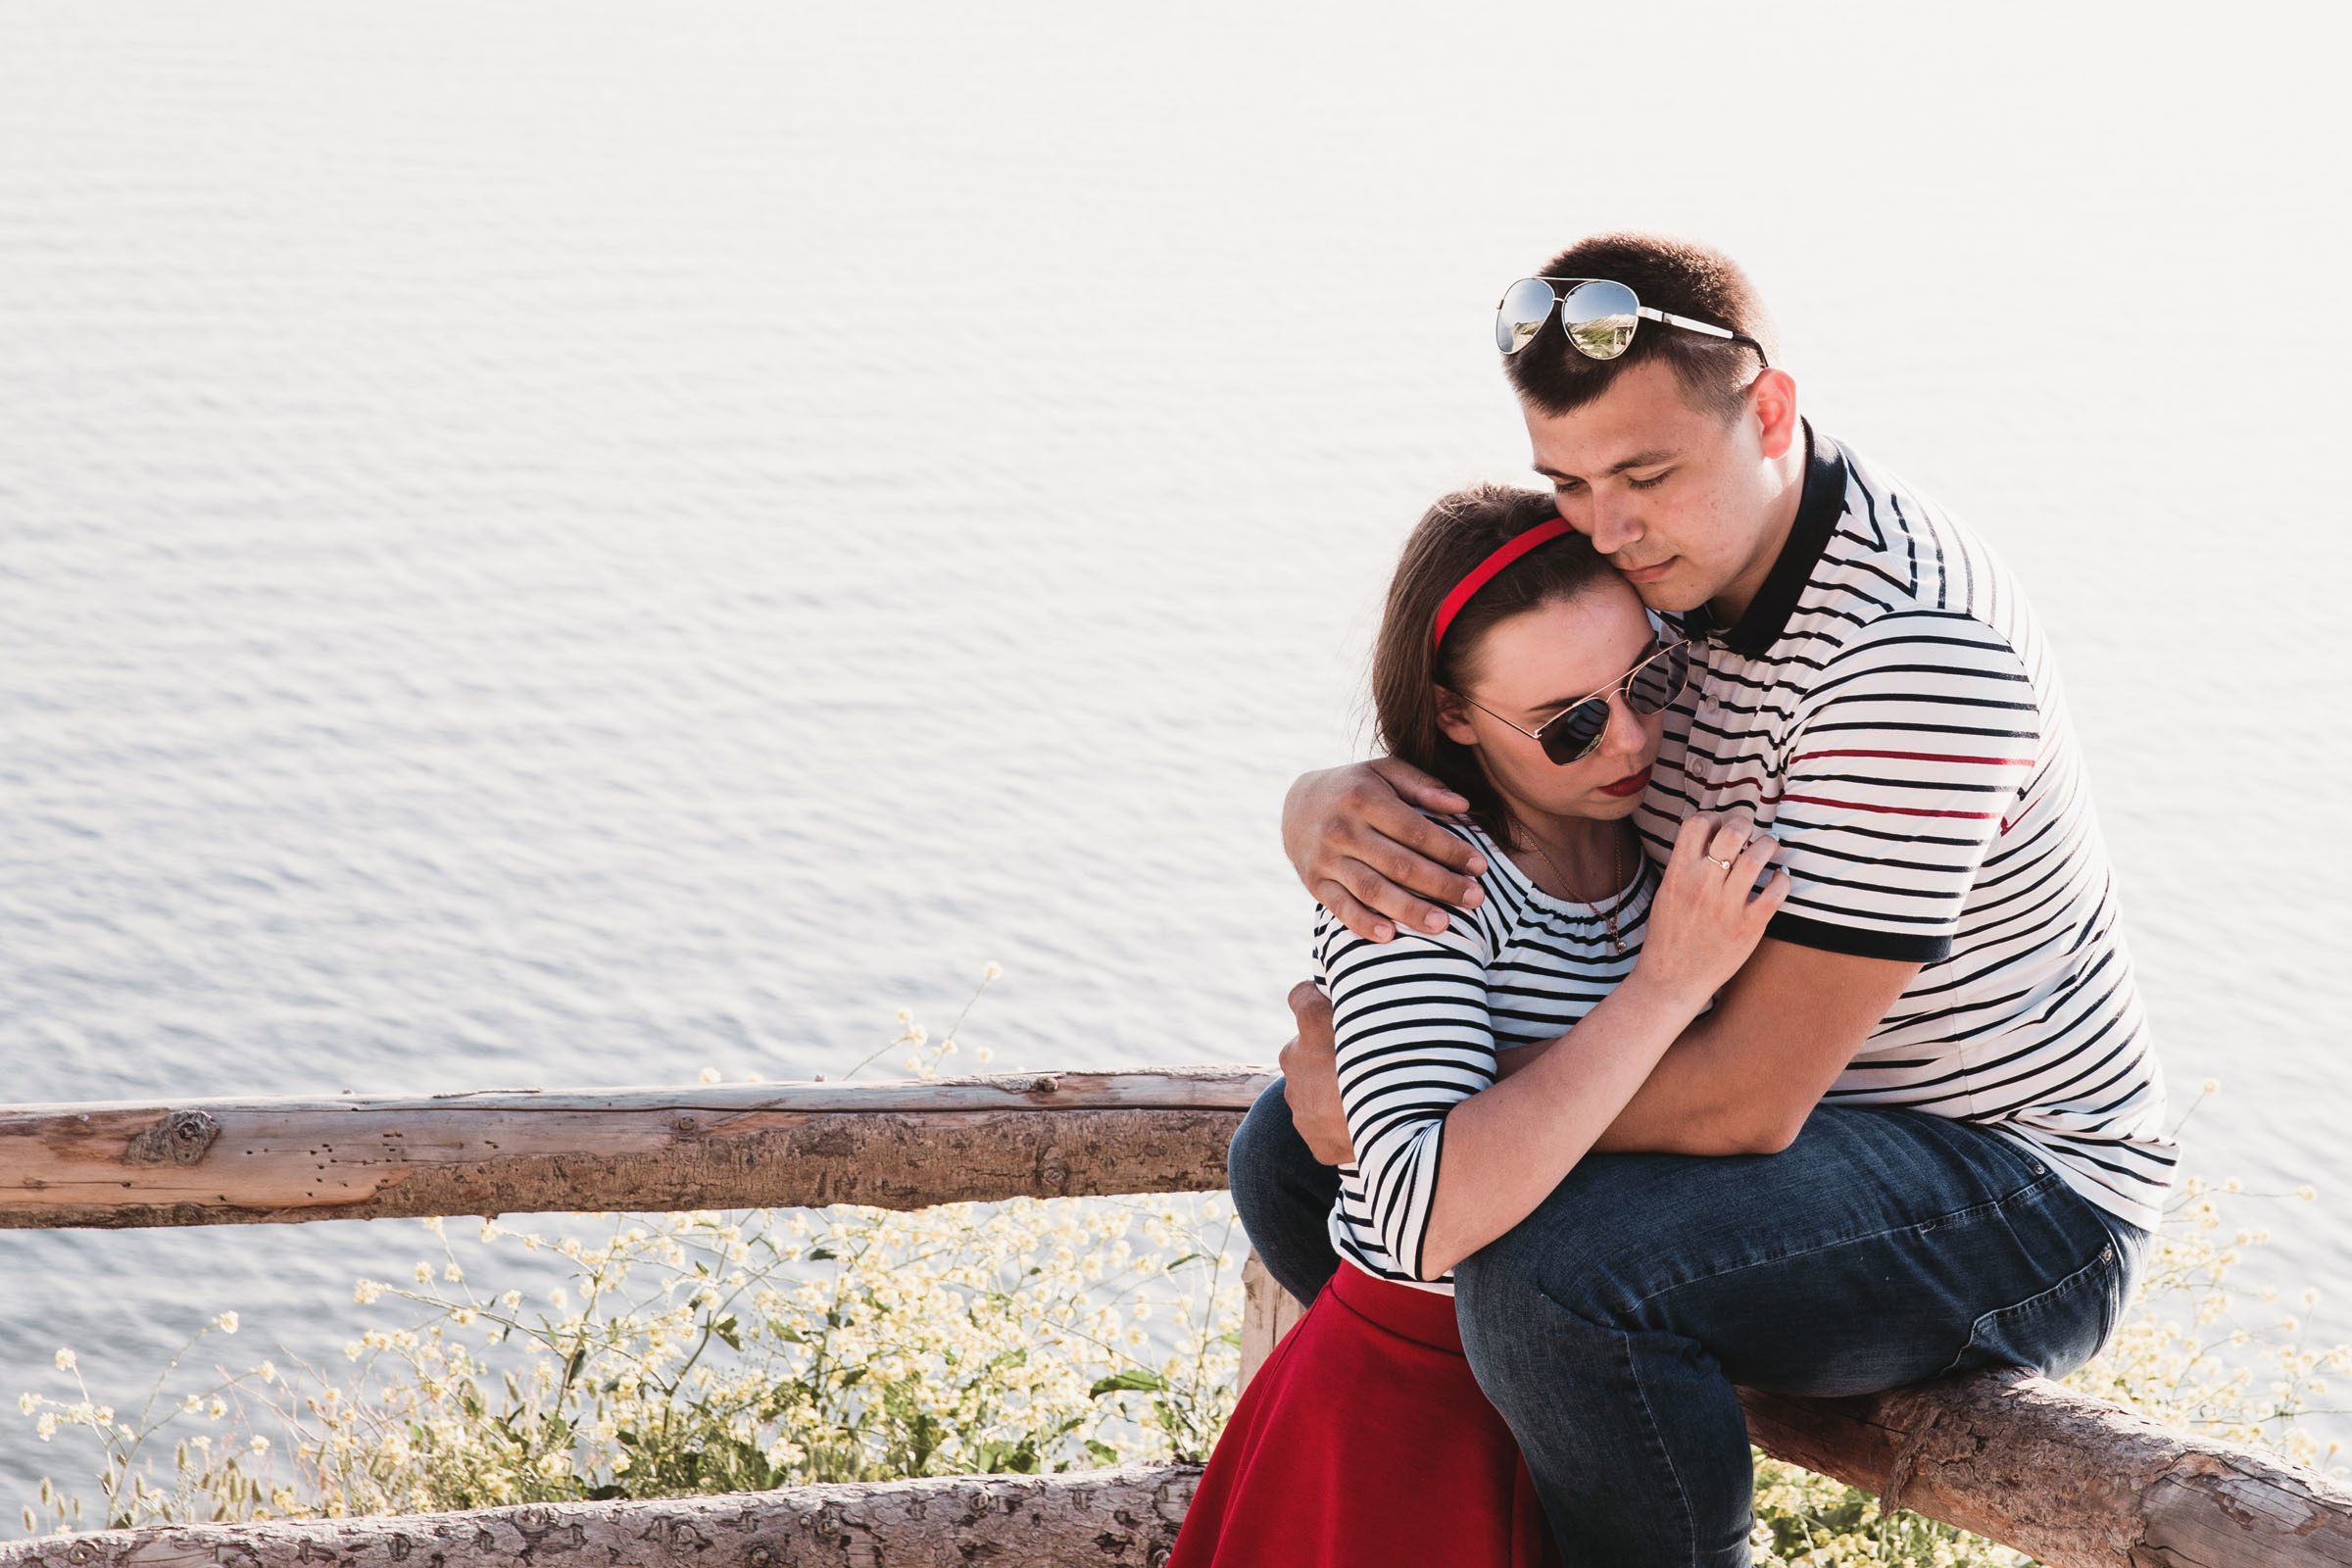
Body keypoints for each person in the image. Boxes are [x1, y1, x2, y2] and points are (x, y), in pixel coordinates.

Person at [1232, 232, 2172, 1568]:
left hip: (2006, 1181)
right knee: (1285, 1154)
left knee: (1555, 1283)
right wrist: (1321, 799)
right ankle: (1497, 1512)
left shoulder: (1913, 657)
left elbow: (1750, 1097)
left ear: (1769, 412)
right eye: (1568, 482)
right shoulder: (1660, 568)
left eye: (1646, 475)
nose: (1606, 529)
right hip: (1790, 1109)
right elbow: (1499, 683)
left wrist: (1429, 1133)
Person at [1170, 483, 1789, 1568]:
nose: (1630, 739)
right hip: (1411, 1423)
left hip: (1588, 1401)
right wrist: (1663, 990)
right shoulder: (1419, 881)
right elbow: (1419, 1215)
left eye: (1647, 679)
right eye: (1570, 724)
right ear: (1454, 716)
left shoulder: (1657, 840)